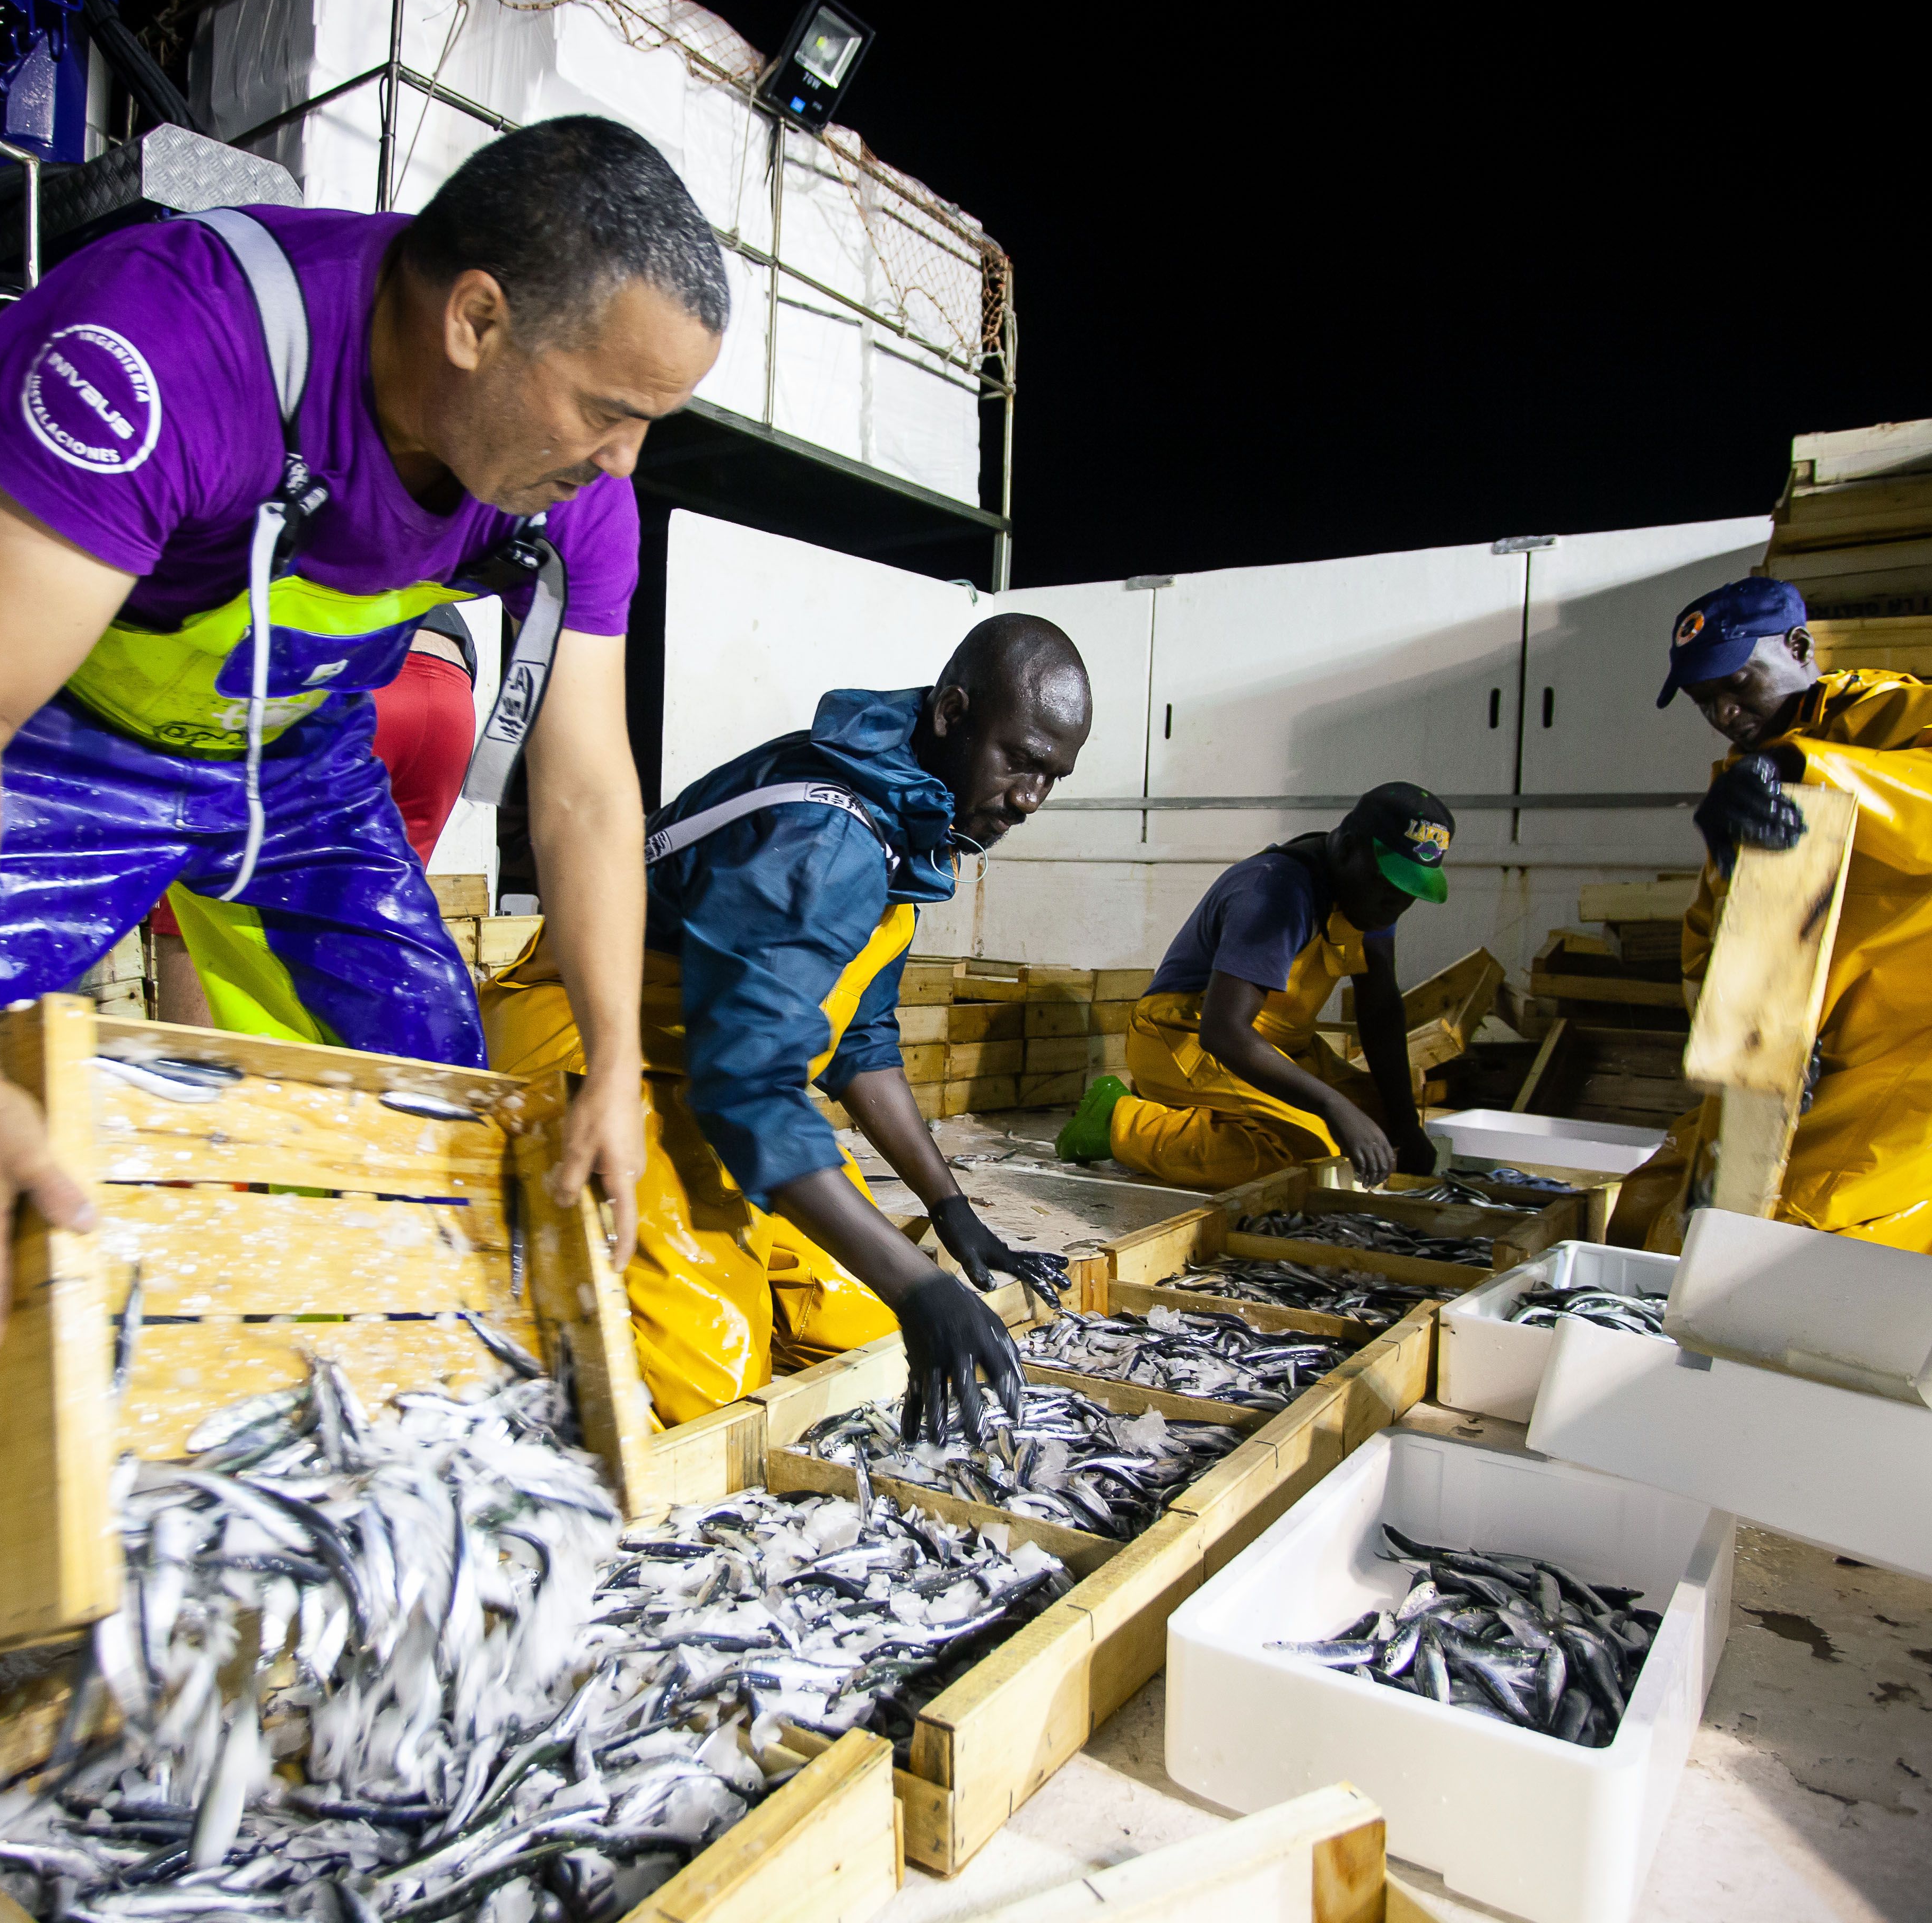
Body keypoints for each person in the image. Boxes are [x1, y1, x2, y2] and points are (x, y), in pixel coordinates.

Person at [0, 117, 721, 1832]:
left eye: (650, 421)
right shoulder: (173, 344)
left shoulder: (578, 493)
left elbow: (581, 779)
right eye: (607, 407)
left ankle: (382, 1526)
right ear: (475, 320)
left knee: (435, 1115)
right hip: (47, 729)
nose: (623, 458)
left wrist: (619, 1068)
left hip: (289, 748)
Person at [485, 616, 1094, 1438]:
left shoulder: (909, 818)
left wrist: (949, 1210)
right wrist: (918, 1283)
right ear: (952, 714)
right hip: (591, 1055)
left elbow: (861, 1043)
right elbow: (748, 1082)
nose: (1029, 800)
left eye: (1052, 777)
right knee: (709, 1391)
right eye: (1019, 761)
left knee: (858, 1333)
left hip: (713, 1074)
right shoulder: (829, 833)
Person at [1607, 575, 1932, 1259]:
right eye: (1705, 701)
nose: (1726, 713)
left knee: (1787, 1250)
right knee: (1657, 1212)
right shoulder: (1751, 773)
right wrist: (1742, 1026)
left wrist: (1811, 770)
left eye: (1738, 684)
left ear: (1799, 647)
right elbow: (1714, 936)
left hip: (1913, 1068)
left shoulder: (1912, 721)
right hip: (1805, 1070)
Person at [1058, 785, 1453, 1190]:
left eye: (1409, 894)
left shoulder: (1369, 893)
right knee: (1311, 1149)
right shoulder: (1276, 891)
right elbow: (1224, 1032)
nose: (1394, 905)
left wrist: (1404, 1121)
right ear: (1349, 848)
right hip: (1184, 1038)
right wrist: (1331, 1103)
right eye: (1387, 884)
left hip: (1278, 1048)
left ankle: (1196, 1115)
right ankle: (1119, 1123)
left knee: (1382, 1129)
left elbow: (1380, 1009)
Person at [149, 607, 478, 1024]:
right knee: (375, 922)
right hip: (447, 692)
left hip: (340, 673)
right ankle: (358, 1084)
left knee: (205, 893)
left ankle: (193, 1079)